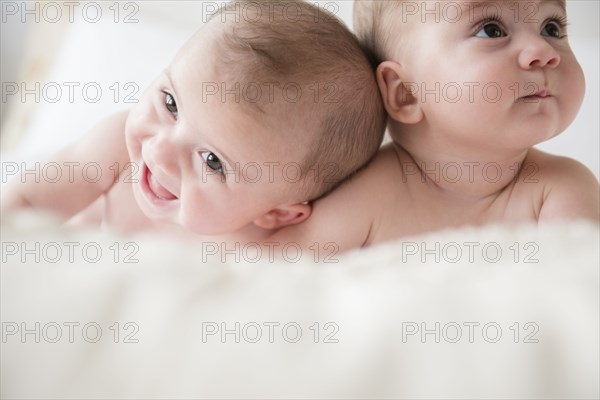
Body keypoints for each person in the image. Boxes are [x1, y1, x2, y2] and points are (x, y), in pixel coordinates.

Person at [1, 0, 386, 245]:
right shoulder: (115, 150)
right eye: (170, 103)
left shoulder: (247, 250)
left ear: (276, 214)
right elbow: (27, 201)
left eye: (212, 161)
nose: (162, 151)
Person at [265, 0, 599, 254]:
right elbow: (274, 276)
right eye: (491, 30)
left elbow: (577, 290)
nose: (543, 52)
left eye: (552, 27)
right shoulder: (368, 194)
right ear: (405, 93)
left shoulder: (559, 189)